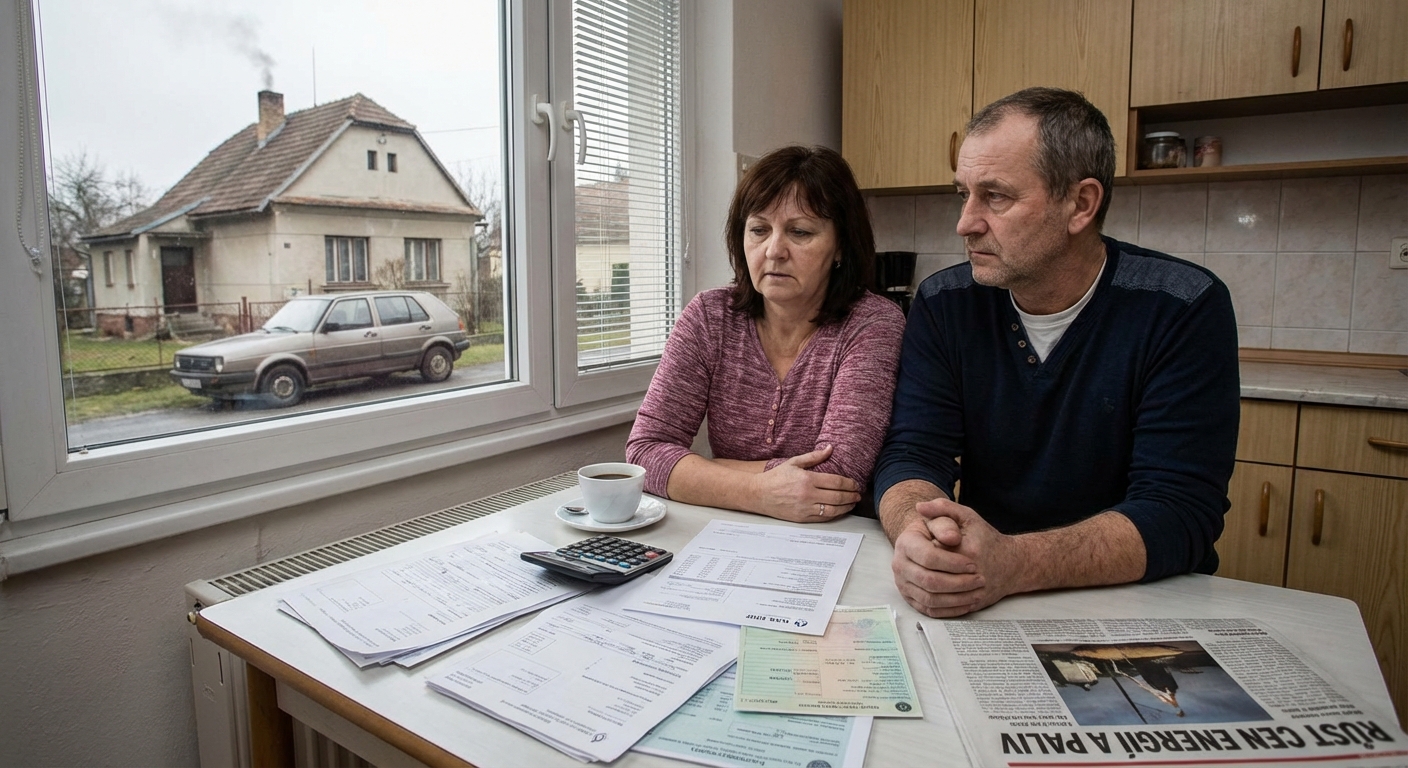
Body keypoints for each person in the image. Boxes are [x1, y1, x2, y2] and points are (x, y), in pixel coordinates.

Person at [873, 87, 1239, 617]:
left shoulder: (1182, 307)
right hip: (985, 591)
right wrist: (920, 533)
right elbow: (913, 452)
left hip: (1139, 600)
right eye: (963, 194)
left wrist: (1015, 563)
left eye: (995, 196)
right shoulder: (945, 302)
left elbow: (1179, 509)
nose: (965, 222)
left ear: (1080, 205)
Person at [626, 145, 906, 523]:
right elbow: (644, 452)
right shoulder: (710, 316)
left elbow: (836, 476)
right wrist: (760, 491)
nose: (774, 251)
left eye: (800, 232)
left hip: (836, 540)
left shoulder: (872, 323)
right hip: (727, 530)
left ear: (840, 245)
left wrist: (710, 469)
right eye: (759, 230)